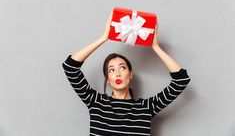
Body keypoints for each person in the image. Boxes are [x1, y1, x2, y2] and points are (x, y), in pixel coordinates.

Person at [62, 10, 191, 136]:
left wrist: (155, 47)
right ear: (107, 79)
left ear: (130, 74)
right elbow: (70, 67)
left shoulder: (146, 108)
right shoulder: (95, 103)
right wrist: (103, 38)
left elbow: (181, 80)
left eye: (122, 68)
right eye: (111, 70)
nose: (117, 73)